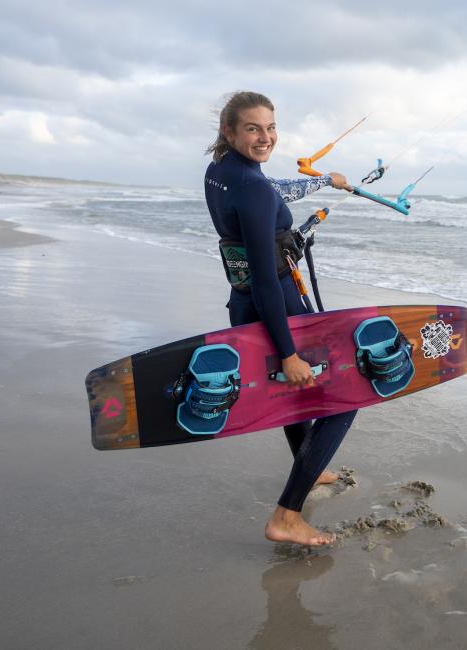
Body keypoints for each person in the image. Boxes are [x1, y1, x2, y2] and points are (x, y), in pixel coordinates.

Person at [203, 91, 354, 547]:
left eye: (271, 127)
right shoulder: (251, 188)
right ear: (229, 132)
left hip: (242, 301)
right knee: (345, 396)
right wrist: (288, 351)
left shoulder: (221, 172)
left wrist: (325, 179)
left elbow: (275, 191)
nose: (265, 136)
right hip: (276, 304)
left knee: (296, 396)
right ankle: (287, 515)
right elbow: (269, 279)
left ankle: (310, 464)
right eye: (253, 128)